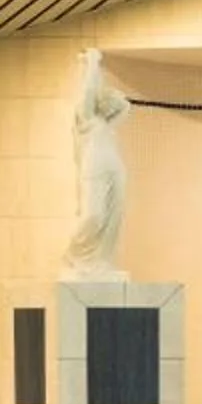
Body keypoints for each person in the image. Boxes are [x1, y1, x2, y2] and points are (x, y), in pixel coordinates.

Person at [64, 48, 129, 279]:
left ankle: (100, 261)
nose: (114, 107)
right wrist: (92, 63)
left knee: (112, 219)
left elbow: (125, 107)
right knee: (94, 216)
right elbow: (89, 91)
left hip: (115, 171)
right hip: (95, 171)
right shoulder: (87, 119)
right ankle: (75, 253)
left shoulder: (108, 124)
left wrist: (98, 74)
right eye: (109, 102)